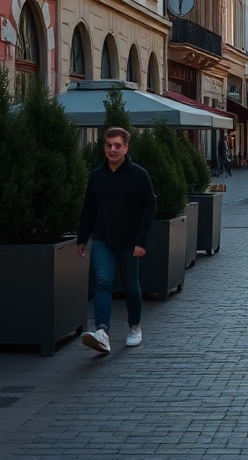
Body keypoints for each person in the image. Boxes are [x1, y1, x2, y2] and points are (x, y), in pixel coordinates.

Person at [77, 127, 157, 354]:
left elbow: (150, 207)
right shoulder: (96, 176)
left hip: (130, 242)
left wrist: (142, 241)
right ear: (103, 146)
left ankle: (134, 327)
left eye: (117, 145)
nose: (112, 149)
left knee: (131, 284)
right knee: (103, 282)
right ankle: (102, 332)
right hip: (102, 239)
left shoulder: (138, 175)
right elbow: (88, 209)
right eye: (108, 145)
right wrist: (82, 238)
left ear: (126, 147)